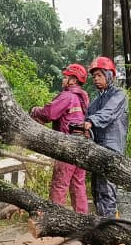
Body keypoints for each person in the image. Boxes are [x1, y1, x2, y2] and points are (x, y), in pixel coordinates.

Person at [30, 63, 91, 212]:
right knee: (78, 184)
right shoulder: (83, 98)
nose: (63, 79)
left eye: (66, 77)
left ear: (74, 80)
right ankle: (82, 224)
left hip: (67, 146)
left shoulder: (67, 96)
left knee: (59, 184)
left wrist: (34, 110)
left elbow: (48, 113)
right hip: (82, 145)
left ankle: (54, 219)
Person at [83, 56, 128, 217]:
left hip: (112, 150)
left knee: (107, 192)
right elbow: (87, 122)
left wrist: (91, 121)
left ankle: (112, 229)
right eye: (94, 76)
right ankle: (104, 229)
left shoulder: (119, 95)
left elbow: (109, 112)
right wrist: (85, 130)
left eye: (100, 75)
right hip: (97, 150)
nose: (96, 79)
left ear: (110, 76)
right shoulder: (95, 102)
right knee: (96, 191)